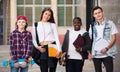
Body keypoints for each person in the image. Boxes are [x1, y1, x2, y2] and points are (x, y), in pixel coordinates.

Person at [89, 6, 118, 72]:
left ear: (102, 12)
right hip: (96, 54)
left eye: (99, 12)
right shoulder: (92, 25)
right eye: (96, 13)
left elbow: (114, 38)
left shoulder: (110, 23)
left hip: (108, 53)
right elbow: (90, 40)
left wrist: (106, 48)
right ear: (94, 15)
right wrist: (89, 53)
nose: (98, 14)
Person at [32, 8, 61, 72]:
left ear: (51, 17)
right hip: (43, 49)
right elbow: (33, 38)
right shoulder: (36, 24)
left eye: (49, 15)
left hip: (53, 47)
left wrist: (59, 50)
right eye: (46, 14)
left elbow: (56, 38)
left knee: (52, 70)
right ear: (42, 14)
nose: (47, 16)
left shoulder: (53, 25)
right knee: (43, 69)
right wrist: (37, 47)